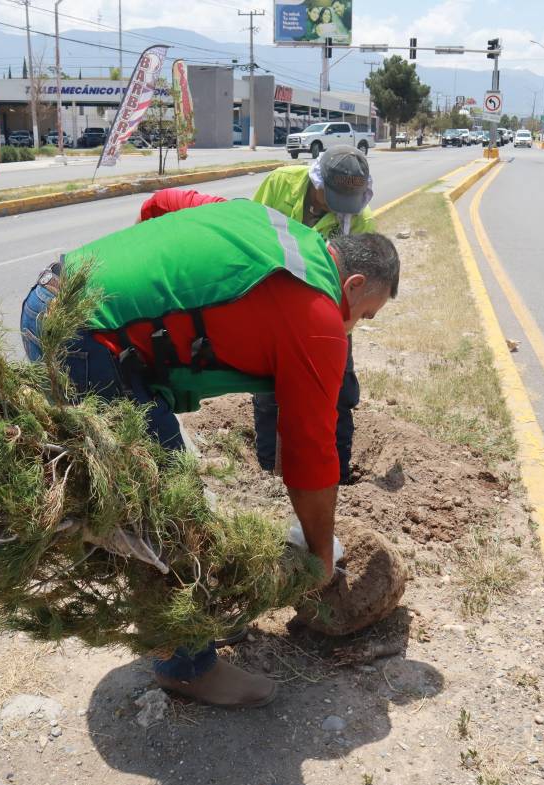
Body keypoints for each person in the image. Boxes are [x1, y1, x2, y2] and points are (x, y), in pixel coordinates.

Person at [20, 199, 400, 708]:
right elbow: (312, 452)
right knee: (171, 508)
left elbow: (160, 205)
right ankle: (185, 667)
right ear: (352, 285)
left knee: (170, 484)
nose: (354, 327)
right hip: (83, 339)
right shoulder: (319, 317)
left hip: (56, 293)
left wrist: (151, 285)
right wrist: (319, 553)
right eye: (365, 315)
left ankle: (202, 614)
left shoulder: (270, 225)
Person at [139, 146, 375, 485]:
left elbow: (357, 285)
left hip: (326, 313)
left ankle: (336, 474)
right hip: (272, 308)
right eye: (334, 196)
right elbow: (253, 233)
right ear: (317, 181)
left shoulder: (361, 218)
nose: (340, 208)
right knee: (268, 391)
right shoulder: (281, 184)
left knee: (336, 393)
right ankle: (269, 471)